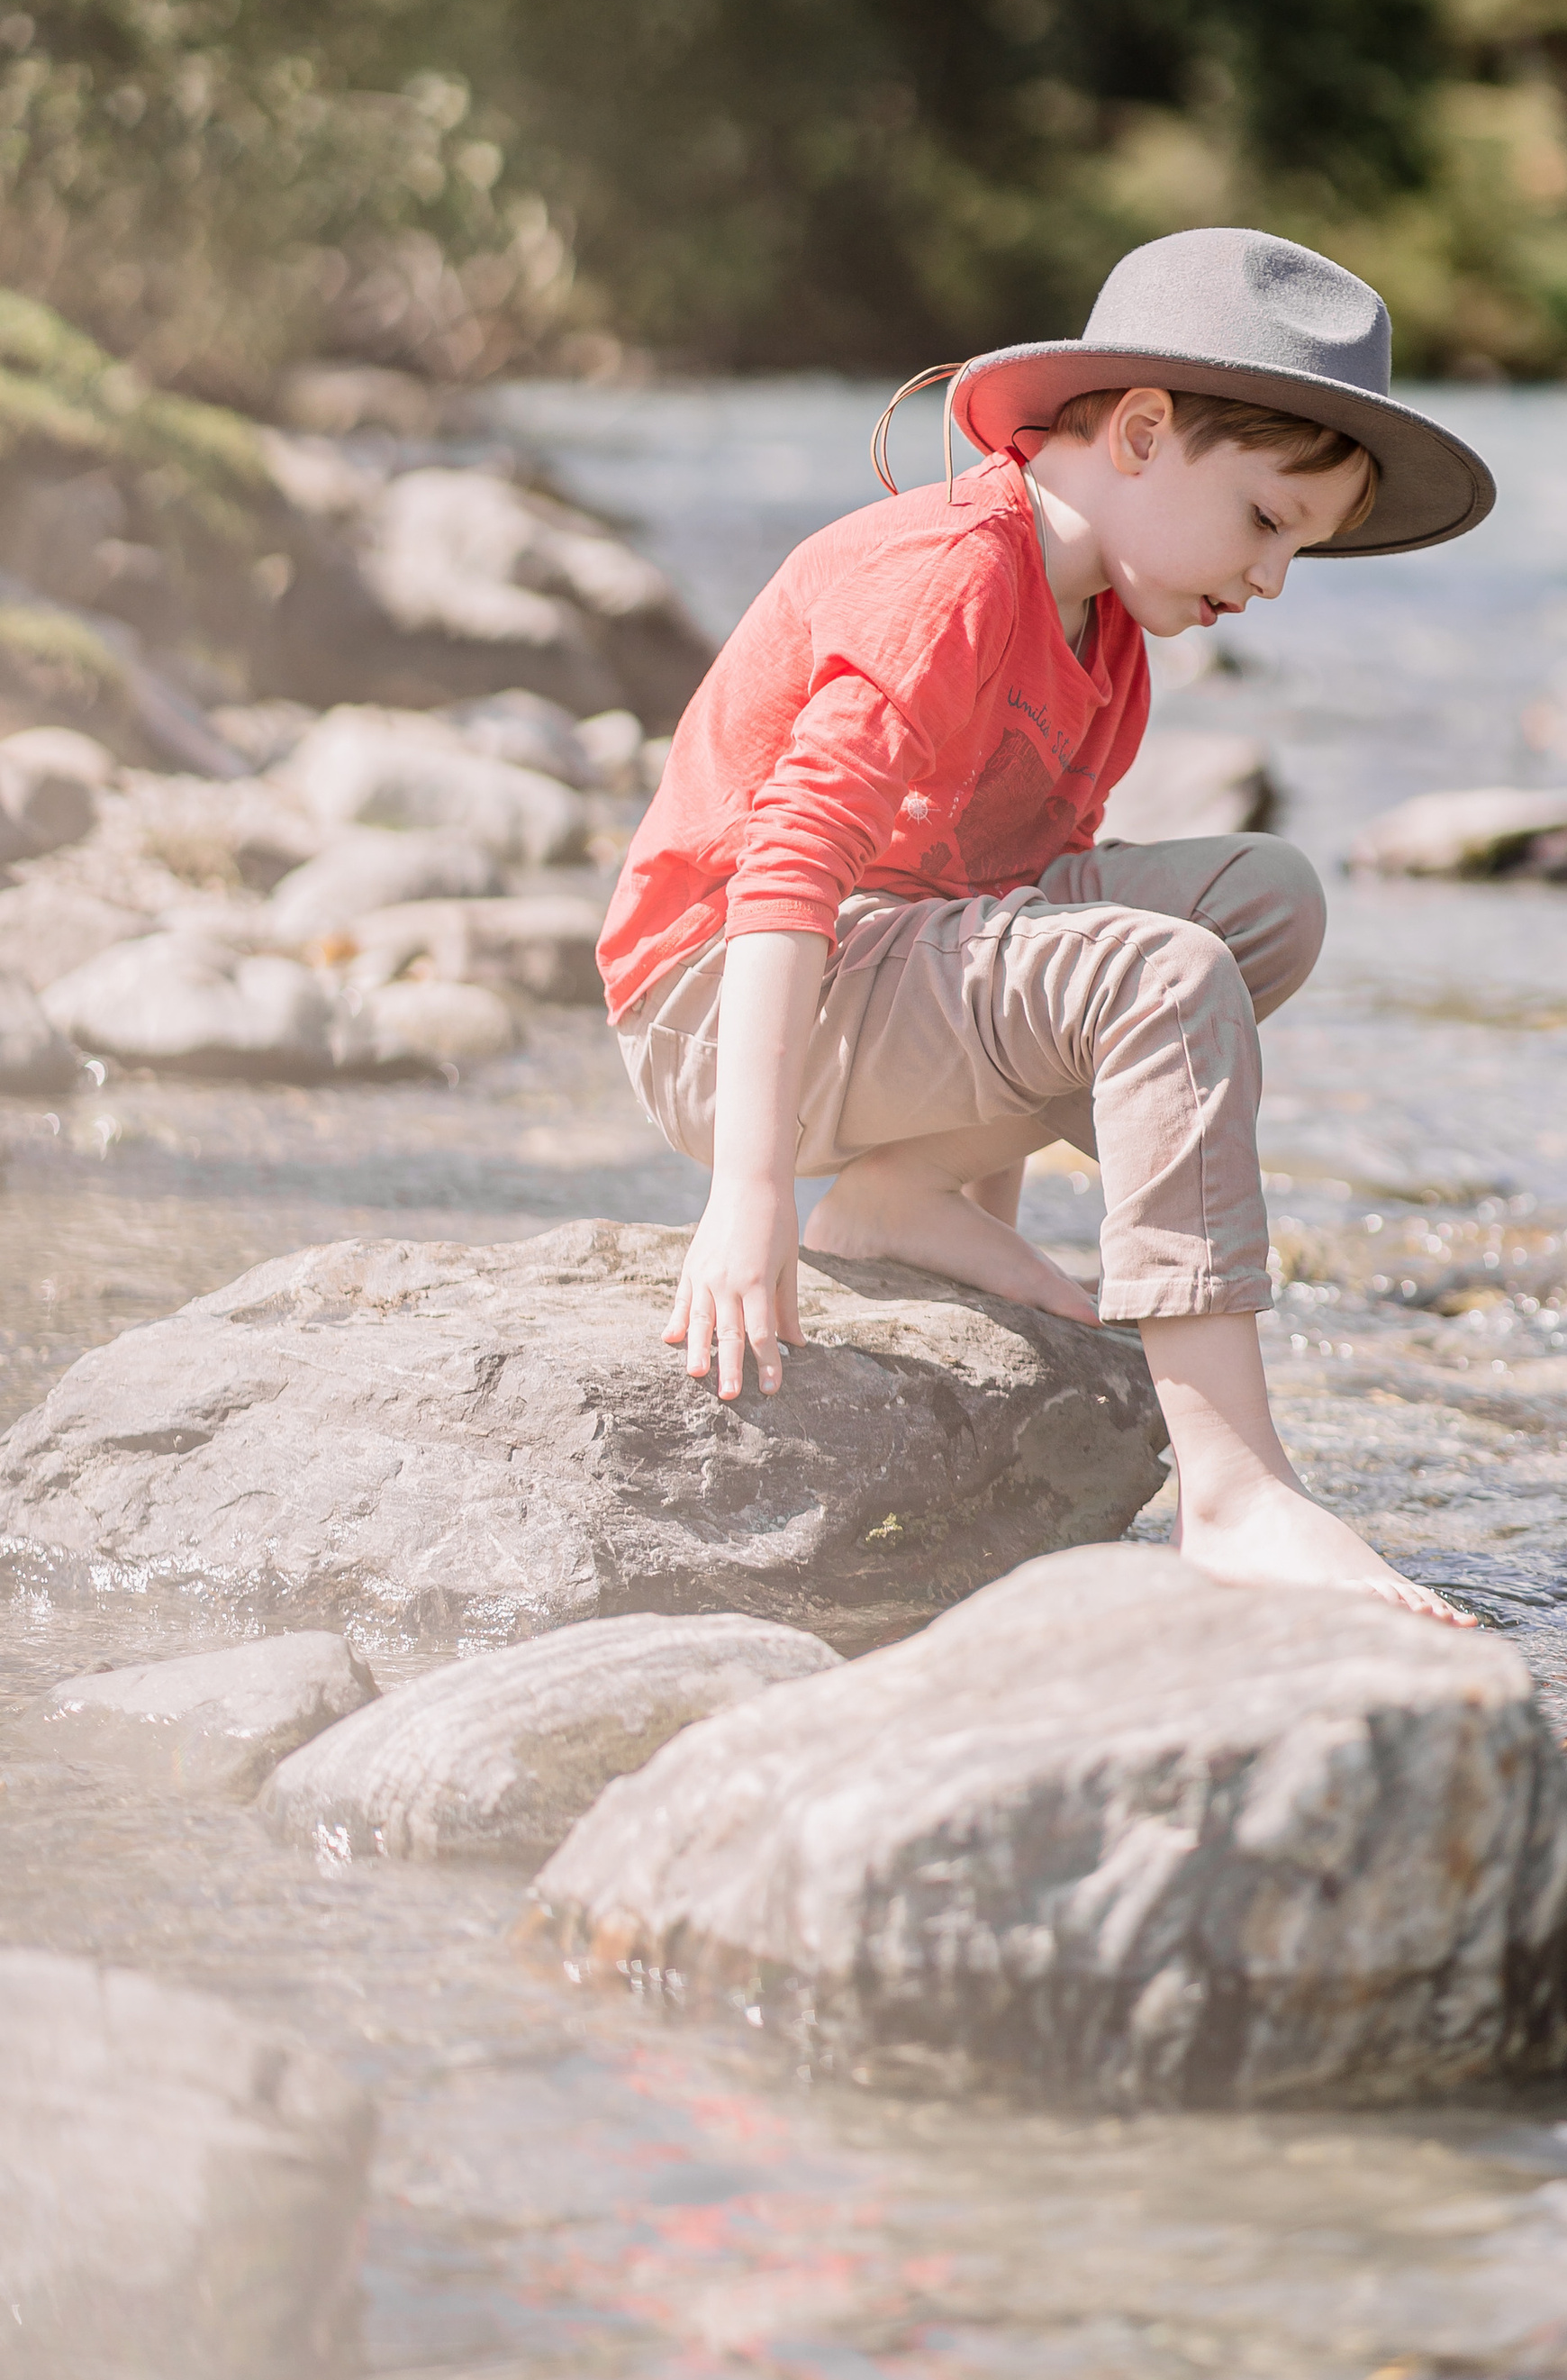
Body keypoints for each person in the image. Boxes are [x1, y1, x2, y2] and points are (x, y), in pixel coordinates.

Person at [598, 225, 1495, 1620]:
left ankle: (904, 1198)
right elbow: (786, 865)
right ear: (1140, 432)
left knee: (1264, 901)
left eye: (1302, 553)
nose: (1271, 581)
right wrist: (749, 1195)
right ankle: (1235, 1487)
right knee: (1163, 974)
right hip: (723, 999)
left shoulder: (1113, 647)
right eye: (1266, 521)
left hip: (881, 982)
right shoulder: (955, 570)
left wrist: (966, 1216)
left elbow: (1006, 934)